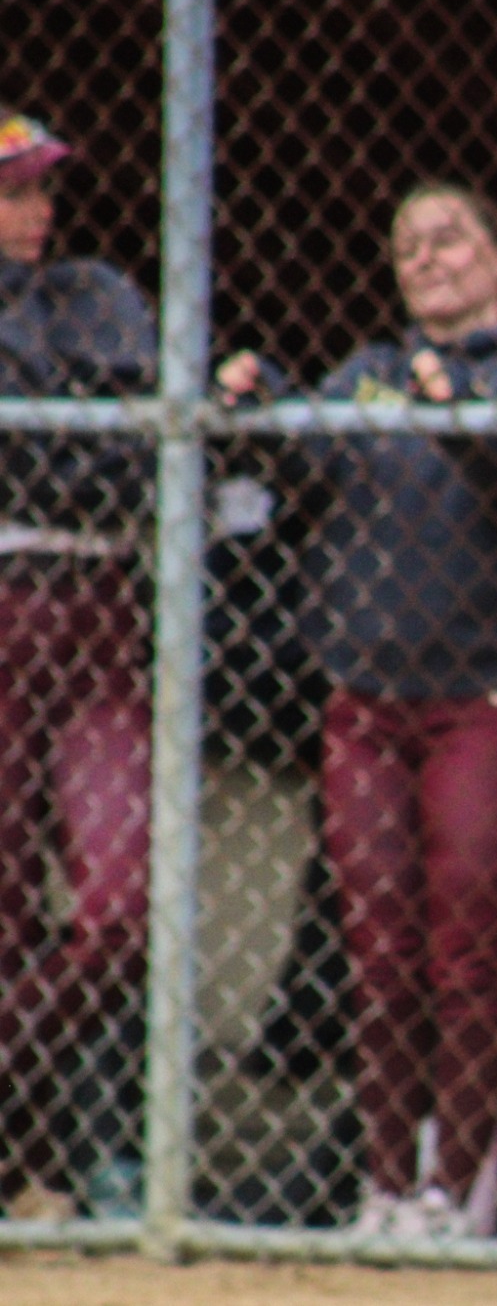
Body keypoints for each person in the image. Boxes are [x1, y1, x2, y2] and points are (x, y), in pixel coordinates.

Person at [215, 182, 497, 1237]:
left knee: (463, 951)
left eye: (449, 238)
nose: (427, 259)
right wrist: (265, 401)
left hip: (487, 696)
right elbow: (303, 470)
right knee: (374, 950)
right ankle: (384, 1184)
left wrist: (455, 413)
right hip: (366, 699)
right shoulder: (368, 372)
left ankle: (452, 1188)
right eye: (408, 247)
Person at [0, 107, 158, 1219]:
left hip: (99, 603)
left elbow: (122, 452)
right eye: (14, 189)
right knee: (3, 907)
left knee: (119, 900)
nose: (39, 209)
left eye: (44, 188)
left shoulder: (101, 291)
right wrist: (71, 434)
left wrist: (54, 432)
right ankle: (25, 1169)